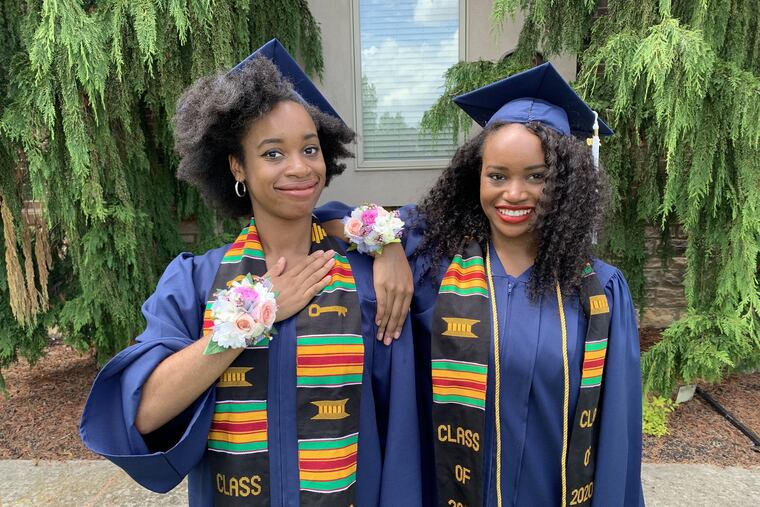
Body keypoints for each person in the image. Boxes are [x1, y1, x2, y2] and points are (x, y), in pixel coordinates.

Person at [80, 39, 421, 507]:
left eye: (310, 149)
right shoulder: (198, 281)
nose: (299, 168)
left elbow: (397, 419)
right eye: (273, 154)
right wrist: (255, 315)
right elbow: (143, 413)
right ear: (238, 166)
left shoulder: (362, 276)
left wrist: (389, 243)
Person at [317, 62, 643, 506]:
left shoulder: (599, 292)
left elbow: (616, 433)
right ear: (476, 177)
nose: (513, 193)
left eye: (537, 176)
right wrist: (386, 246)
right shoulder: (433, 265)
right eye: (498, 176)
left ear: (566, 182)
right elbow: (323, 222)